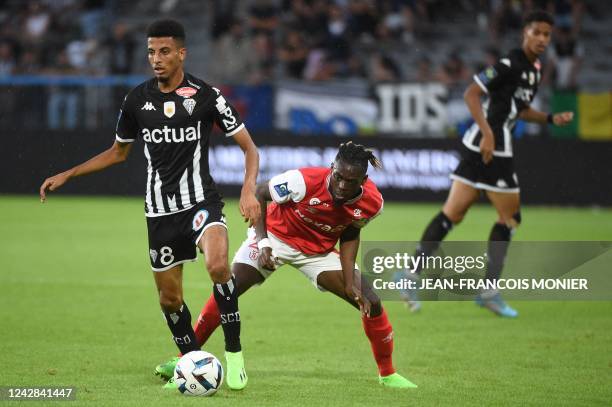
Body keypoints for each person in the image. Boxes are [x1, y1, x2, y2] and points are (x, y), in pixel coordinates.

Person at [39, 19, 259, 390]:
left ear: (181, 53)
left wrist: (249, 189)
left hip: (202, 202)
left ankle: (235, 355)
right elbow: (118, 152)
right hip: (159, 212)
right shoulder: (136, 100)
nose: (156, 59)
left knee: (219, 265)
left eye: (164, 51)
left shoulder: (207, 96)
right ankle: (191, 363)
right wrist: (69, 173)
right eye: (151, 52)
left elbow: (249, 148)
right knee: (170, 300)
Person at [155, 141, 418, 389]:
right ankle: (184, 359)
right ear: (332, 169)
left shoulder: (373, 203)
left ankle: (388, 374)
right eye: (338, 176)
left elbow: (350, 233)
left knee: (371, 301)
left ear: (364, 181)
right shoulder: (302, 181)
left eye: (350, 182)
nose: (341, 185)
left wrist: (349, 282)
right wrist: (264, 241)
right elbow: (259, 193)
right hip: (276, 238)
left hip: (319, 252)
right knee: (229, 288)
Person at [399, 11, 574, 316]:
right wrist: (490, 134)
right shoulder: (509, 63)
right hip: (492, 147)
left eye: (548, 34)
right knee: (510, 218)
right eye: (538, 32)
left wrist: (549, 118)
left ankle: (410, 276)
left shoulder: (534, 68)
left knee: (452, 214)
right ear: (525, 32)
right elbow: (471, 93)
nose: (543, 39)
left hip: (479, 145)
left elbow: (518, 109)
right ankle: (489, 291)